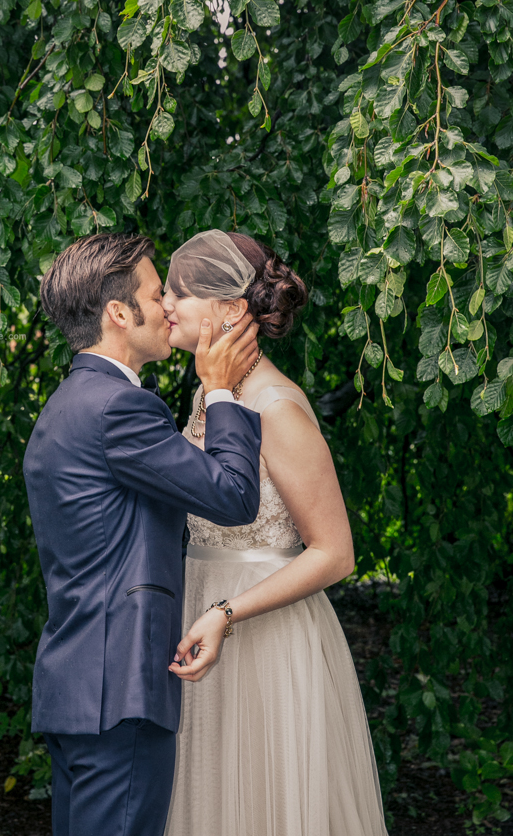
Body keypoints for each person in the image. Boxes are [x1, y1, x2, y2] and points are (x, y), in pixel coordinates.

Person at [23, 232, 263, 836]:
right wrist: (220, 391)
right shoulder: (119, 409)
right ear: (119, 314)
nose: (170, 308)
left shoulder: (65, 406)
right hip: (120, 692)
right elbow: (233, 495)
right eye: (158, 296)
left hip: (77, 689)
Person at [162, 229, 389, 836]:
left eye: (177, 293)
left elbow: (335, 553)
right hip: (203, 619)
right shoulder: (210, 394)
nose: (163, 305)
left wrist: (226, 612)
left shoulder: (276, 406)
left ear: (231, 310)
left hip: (264, 635)